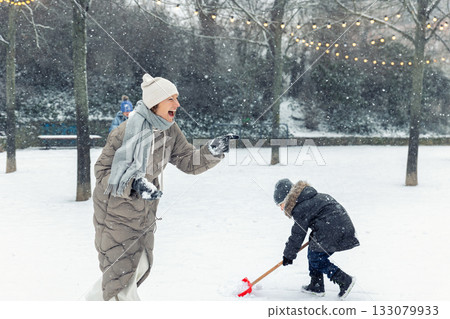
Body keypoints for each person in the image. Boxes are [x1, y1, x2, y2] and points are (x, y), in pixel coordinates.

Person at [85, 74, 238, 301]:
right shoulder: (125, 132)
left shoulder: (169, 130)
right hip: (115, 212)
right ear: (155, 103)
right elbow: (102, 172)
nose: (177, 104)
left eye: (177, 98)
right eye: (171, 99)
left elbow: (188, 160)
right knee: (122, 277)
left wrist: (211, 151)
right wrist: (134, 185)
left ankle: (91, 303)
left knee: (136, 267)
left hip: (144, 211)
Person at [273, 179, 360, 300]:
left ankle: (344, 280)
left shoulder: (300, 207)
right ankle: (316, 285)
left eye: (281, 204)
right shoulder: (309, 199)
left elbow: (298, 234)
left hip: (333, 229)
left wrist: (288, 255)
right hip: (337, 226)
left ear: (287, 199)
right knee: (314, 252)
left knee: (316, 258)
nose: (282, 209)